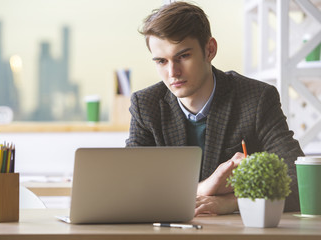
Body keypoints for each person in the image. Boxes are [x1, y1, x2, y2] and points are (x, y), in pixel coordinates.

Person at [125, 1, 304, 216]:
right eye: (162, 61)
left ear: (210, 50)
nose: (173, 72)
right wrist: (205, 187)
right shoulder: (146, 105)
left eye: (183, 56)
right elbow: (129, 189)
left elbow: (300, 183)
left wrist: (231, 202)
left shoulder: (256, 99)